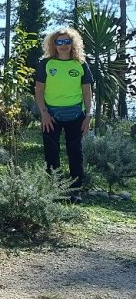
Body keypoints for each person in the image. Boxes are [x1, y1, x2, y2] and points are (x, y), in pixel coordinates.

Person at [34, 28, 93, 203]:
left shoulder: (81, 64)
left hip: (76, 115)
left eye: (67, 41)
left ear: (73, 43)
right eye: (59, 42)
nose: (63, 45)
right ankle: (55, 189)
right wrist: (44, 113)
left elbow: (87, 93)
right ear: (54, 44)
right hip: (51, 115)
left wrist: (88, 114)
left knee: (75, 152)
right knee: (51, 152)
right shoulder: (46, 64)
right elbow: (39, 91)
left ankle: (76, 190)